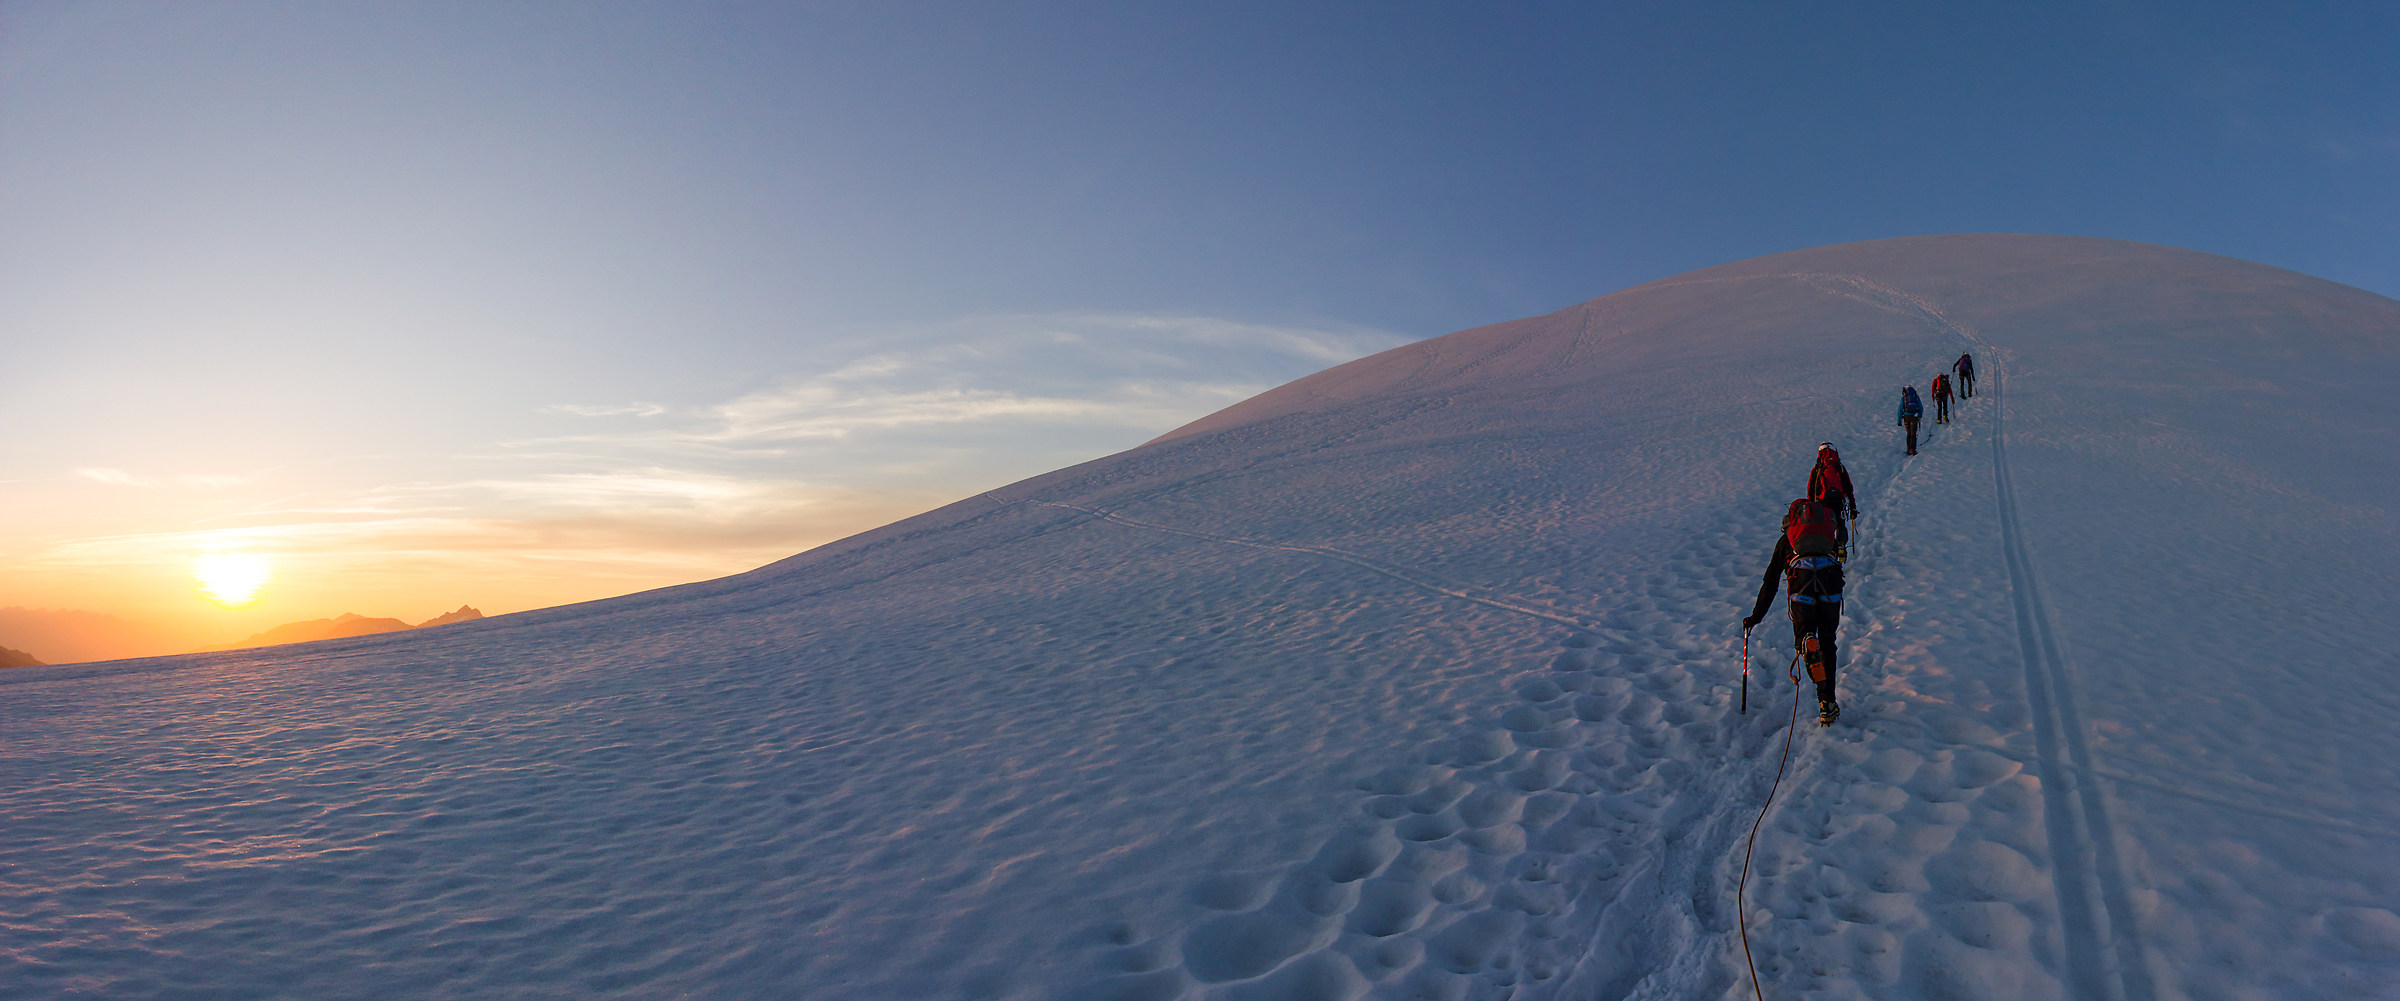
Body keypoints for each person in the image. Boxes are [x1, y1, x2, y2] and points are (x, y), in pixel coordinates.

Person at [1743, 495, 1847, 725]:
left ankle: (1806, 641)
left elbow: (1770, 581)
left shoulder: (1787, 540)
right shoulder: (1826, 531)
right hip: (1830, 581)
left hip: (1802, 584)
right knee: (1828, 643)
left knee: (1805, 639)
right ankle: (1827, 703)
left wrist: (1756, 616)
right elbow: (1840, 550)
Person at [1805, 442, 1857, 559]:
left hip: (1822, 501)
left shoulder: (1817, 469)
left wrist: (1811, 507)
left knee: (1824, 525)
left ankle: (1827, 549)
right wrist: (1852, 505)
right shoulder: (1839, 467)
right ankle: (1841, 544)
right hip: (1838, 500)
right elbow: (1848, 487)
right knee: (1839, 522)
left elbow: (1811, 489)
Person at [1898, 386, 1923, 455]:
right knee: (1913, 434)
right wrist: (1920, 415)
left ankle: (1909, 449)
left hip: (1906, 417)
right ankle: (1913, 449)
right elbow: (1921, 407)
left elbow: (1900, 409)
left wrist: (1899, 420)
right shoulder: (1915, 396)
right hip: (1914, 416)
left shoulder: (1904, 397)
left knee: (1908, 433)